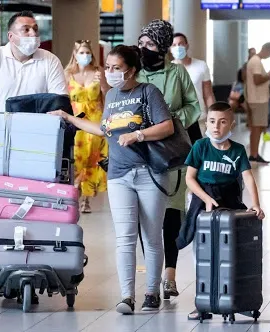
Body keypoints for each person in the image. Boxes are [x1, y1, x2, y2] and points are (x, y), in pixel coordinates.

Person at [49, 45, 175, 314]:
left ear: (132, 70)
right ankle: (127, 295)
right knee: (125, 237)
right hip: (119, 174)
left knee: (151, 236)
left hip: (149, 173)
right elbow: (104, 129)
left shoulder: (148, 92)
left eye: (117, 68)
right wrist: (69, 117)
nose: (110, 72)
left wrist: (138, 135)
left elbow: (167, 126)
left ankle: (151, 291)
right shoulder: (113, 96)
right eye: (108, 67)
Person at [182, 101, 265, 320]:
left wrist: (255, 204)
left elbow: (247, 176)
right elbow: (190, 178)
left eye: (222, 122)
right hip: (203, 200)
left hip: (229, 200)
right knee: (203, 253)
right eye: (211, 121)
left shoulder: (237, 150)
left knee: (230, 252)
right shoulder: (200, 146)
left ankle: (232, 298)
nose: (216, 127)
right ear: (206, 123)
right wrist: (206, 198)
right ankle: (203, 302)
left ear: (231, 124)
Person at [137, 19, 200, 300]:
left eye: (150, 44)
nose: (143, 49)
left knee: (171, 214)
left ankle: (170, 275)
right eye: (141, 43)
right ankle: (153, 274)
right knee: (147, 215)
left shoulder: (177, 74)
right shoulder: (133, 74)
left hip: (172, 151)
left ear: (162, 48)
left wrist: (173, 122)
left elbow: (193, 106)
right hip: (140, 152)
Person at [0, 10, 67, 122]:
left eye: (35, 29)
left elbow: (60, 104)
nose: (33, 34)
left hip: (38, 133)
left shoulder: (51, 60)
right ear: (11, 36)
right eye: (26, 29)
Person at [63, 40, 109, 213]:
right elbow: (63, 98)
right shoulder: (68, 74)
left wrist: (102, 82)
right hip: (75, 121)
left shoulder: (99, 72)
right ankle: (75, 191)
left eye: (87, 52)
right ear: (75, 55)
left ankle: (85, 199)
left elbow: (107, 94)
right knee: (76, 158)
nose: (85, 56)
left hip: (95, 121)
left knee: (91, 159)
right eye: (81, 52)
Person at [171, 33, 216, 133]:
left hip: (199, 118)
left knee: (199, 148)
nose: (178, 47)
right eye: (174, 45)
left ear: (187, 45)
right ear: (170, 48)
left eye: (181, 44)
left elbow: (208, 95)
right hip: (177, 120)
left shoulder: (201, 66)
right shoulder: (168, 69)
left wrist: (213, 116)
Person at [245, 42, 270, 164]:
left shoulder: (254, 60)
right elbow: (257, 80)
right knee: (257, 128)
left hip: (255, 99)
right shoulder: (256, 61)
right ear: (268, 51)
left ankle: (254, 153)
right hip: (258, 100)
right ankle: (254, 154)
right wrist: (269, 76)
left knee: (255, 128)